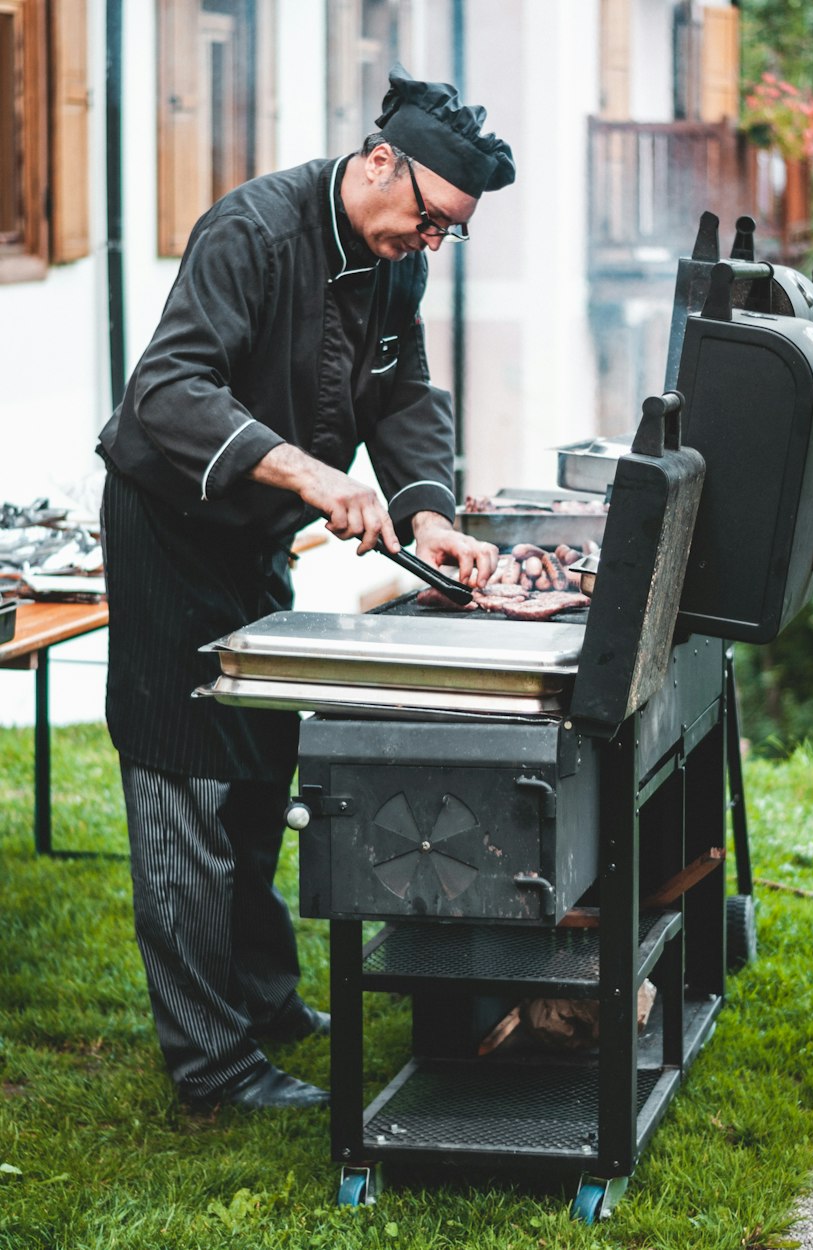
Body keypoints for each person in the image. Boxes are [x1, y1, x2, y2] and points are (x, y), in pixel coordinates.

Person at [96, 65, 514, 1112]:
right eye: (428, 219)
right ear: (381, 162)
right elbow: (167, 390)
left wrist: (429, 515)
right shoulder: (252, 231)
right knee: (182, 785)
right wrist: (312, 473)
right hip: (169, 535)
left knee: (255, 769)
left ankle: (264, 999)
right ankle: (212, 1065)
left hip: (252, 546)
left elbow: (402, 391)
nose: (428, 244)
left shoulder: (391, 266)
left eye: (445, 234)